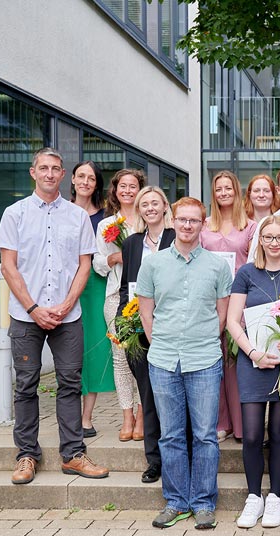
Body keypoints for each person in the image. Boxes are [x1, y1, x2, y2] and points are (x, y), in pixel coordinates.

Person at [0, 147, 109, 484]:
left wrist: (64, 304)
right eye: (43, 168)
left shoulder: (77, 217)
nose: (49, 174)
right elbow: (8, 265)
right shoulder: (14, 214)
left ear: (63, 176)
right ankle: (27, 455)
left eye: (55, 169)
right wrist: (33, 307)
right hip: (26, 315)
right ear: (33, 172)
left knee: (70, 384)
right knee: (27, 384)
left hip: (67, 316)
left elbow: (84, 265)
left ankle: (73, 454)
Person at [136, 197, 232, 530]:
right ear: (171, 221)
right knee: (171, 435)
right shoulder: (153, 264)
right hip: (163, 359)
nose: (188, 225)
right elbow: (146, 311)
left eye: (194, 220)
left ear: (203, 224)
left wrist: (201, 339)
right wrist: (160, 341)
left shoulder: (219, 266)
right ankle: (176, 501)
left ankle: (204, 503)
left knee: (205, 435)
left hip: (204, 358)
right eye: (182, 220)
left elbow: (222, 314)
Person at [226, 216, 280, 529]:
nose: (274, 243)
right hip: (253, 361)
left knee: (279, 431)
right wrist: (253, 353)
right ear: (259, 240)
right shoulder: (246, 273)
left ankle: (275, 497)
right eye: (268, 237)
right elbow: (233, 320)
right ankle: (253, 497)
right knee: (250, 435)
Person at [119, 186, 176, 484]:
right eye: (145, 204)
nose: (150, 208)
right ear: (139, 210)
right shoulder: (131, 244)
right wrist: (120, 325)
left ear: (166, 207)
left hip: (173, 328)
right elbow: (125, 287)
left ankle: (177, 456)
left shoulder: (176, 238)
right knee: (149, 396)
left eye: (156, 203)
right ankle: (154, 460)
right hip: (138, 331)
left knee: (174, 397)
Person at [201, 170, 258, 443]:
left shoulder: (249, 226)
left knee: (236, 364)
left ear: (236, 191)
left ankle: (242, 425)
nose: (224, 193)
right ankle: (221, 422)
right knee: (215, 364)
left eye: (228, 188)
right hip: (209, 301)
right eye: (219, 189)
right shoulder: (204, 225)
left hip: (239, 301)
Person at [94, 168, 144, 442]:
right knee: (121, 358)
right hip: (117, 296)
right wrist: (116, 259)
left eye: (132, 185)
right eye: (122, 186)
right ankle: (127, 415)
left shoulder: (150, 218)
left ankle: (144, 413)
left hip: (147, 298)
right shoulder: (107, 225)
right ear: (114, 191)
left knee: (144, 357)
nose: (127, 190)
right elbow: (98, 264)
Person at [70, 160, 115, 437]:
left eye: (92, 178)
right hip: (65, 287)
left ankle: (86, 418)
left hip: (96, 287)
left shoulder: (107, 218)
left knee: (94, 352)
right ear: (73, 179)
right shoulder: (60, 211)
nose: (86, 181)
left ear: (97, 184)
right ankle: (69, 414)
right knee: (70, 353)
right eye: (81, 176)